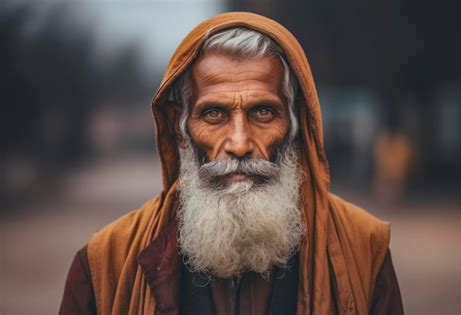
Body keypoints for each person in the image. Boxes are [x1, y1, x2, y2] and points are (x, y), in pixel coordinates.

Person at [60, 12, 403, 314]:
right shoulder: (105, 264)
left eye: (264, 112)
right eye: (214, 114)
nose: (240, 143)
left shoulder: (363, 249)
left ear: (295, 126)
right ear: (181, 129)